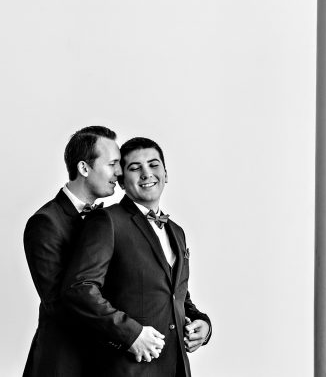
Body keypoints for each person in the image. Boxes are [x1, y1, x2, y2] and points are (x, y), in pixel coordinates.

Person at [63, 136, 212, 376]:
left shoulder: (177, 231)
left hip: (176, 368)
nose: (146, 173)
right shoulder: (107, 221)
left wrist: (203, 325)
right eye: (134, 168)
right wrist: (130, 334)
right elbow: (81, 288)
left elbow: (176, 296)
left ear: (166, 173)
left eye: (154, 165)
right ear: (121, 181)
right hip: (127, 369)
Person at [23, 125, 121, 377]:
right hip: (63, 363)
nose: (119, 173)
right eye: (112, 164)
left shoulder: (109, 220)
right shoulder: (46, 222)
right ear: (84, 168)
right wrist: (126, 333)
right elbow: (60, 304)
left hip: (105, 363)